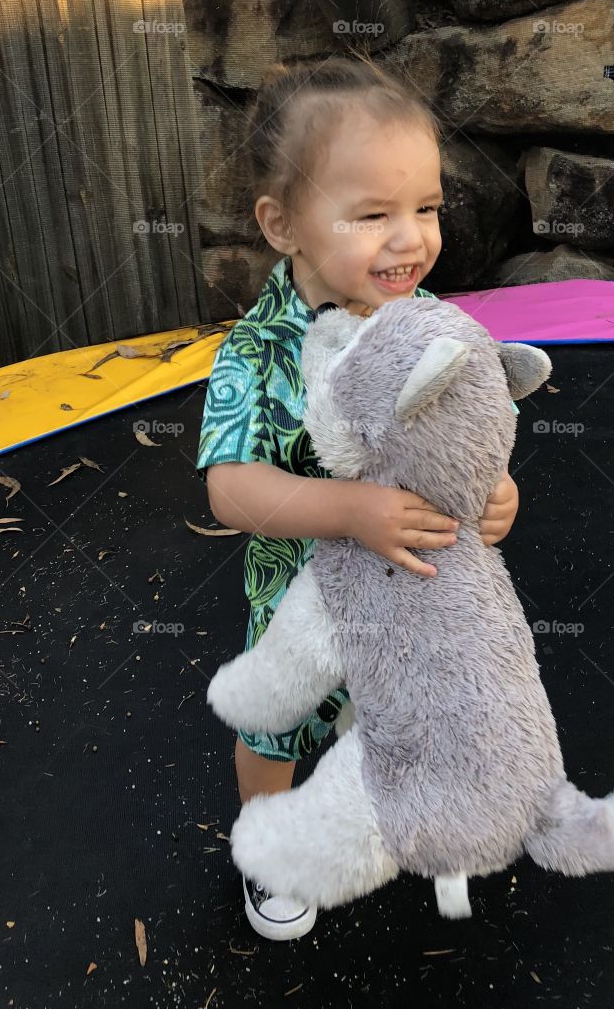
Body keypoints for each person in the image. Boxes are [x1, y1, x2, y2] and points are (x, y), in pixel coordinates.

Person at [196, 57, 520, 940]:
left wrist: (496, 493)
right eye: (372, 214)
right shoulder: (257, 354)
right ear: (283, 225)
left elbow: (466, 437)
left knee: (389, 713)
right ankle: (267, 844)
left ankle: (368, 801)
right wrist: (346, 511)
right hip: (301, 607)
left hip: (409, 595)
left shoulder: (426, 326)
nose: (409, 238)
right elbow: (230, 488)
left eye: (426, 208)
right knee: (280, 731)